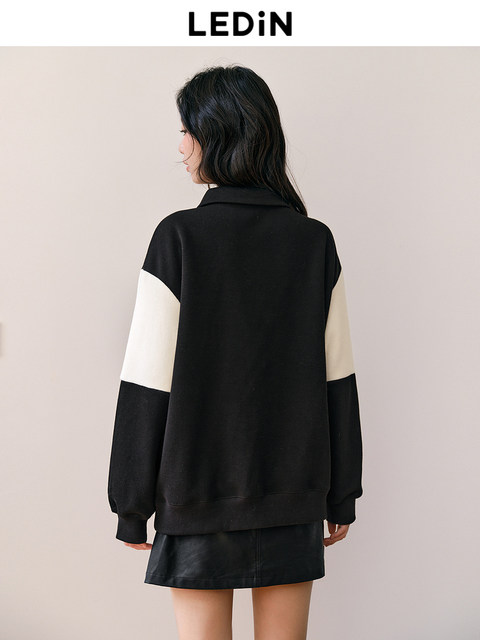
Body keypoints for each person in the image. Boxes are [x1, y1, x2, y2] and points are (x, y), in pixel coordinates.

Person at [107, 64, 363, 640]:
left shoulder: (178, 239)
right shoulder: (313, 243)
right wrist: (342, 494)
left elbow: (146, 383)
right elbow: (338, 380)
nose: (180, 147)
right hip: (293, 495)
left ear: (215, 135)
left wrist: (131, 503)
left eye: (186, 131)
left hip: (196, 495)